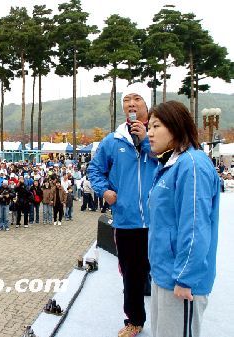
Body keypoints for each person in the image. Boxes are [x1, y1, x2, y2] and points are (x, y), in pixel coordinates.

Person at [88, 82, 158, 337]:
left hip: (158, 219)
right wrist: (104, 191)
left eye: (137, 99)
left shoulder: (159, 133)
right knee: (131, 275)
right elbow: (94, 170)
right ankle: (134, 320)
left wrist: (146, 140)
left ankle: (167, 318)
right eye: (127, 100)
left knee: (161, 271)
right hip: (126, 220)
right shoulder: (112, 140)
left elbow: (168, 159)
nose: (131, 104)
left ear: (147, 105)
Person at [147, 101, 220, 337]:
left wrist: (185, 277)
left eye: (156, 126)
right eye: (149, 126)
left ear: (176, 127)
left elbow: (196, 225)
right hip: (163, 274)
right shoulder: (172, 164)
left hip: (180, 280)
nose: (149, 132)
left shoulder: (192, 164)